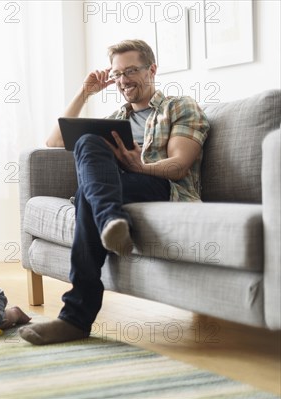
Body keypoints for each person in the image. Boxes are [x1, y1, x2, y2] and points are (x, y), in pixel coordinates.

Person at [19, 39, 209, 345]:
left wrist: (140, 166)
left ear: (152, 70)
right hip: (115, 189)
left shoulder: (179, 106)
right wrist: (85, 93)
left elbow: (179, 167)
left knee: (86, 196)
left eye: (131, 70)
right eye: (118, 74)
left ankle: (76, 319)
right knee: (86, 144)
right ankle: (110, 220)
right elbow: (54, 141)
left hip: (159, 185)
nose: (123, 80)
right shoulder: (116, 120)